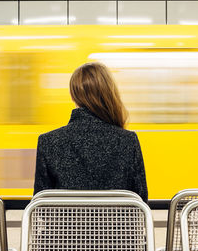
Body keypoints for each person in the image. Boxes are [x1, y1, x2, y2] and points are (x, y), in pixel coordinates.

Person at [33, 62, 148, 203]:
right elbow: (140, 200)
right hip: (115, 225)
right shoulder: (128, 140)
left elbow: (41, 206)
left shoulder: (48, 142)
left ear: (73, 96)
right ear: (109, 93)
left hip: (66, 225)